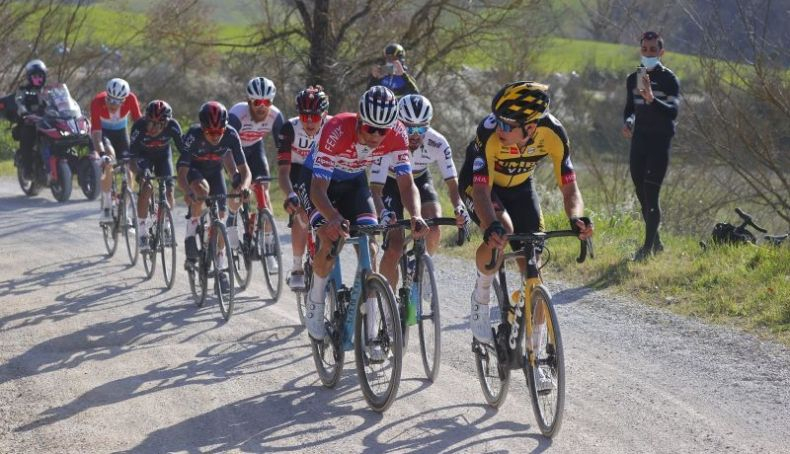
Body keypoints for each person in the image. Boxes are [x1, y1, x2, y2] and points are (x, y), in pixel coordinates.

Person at [458, 81, 593, 352]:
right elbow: (482, 190)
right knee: (502, 230)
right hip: (483, 186)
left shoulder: (553, 133)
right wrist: (491, 225)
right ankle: (481, 297)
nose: (500, 128)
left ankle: (535, 355)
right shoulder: (488, 133)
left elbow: (569, 187)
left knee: (532, 264)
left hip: (520, 188)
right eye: (498, 121)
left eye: (507, 125)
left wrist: (577, 218)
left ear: (530, 127)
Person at [297, 86, 428, 356]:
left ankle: (370, 335)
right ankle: (316, 300)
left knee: (368, 245)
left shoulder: (397, 133)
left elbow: (406, 184)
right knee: (330, 238)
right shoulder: (336, 129)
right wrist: (333, 218)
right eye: (370, 129)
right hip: (317, 182)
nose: (376, 137)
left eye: (383, 130)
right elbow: (317, 190)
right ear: (359, 120)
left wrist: (415, 215)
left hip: (355, 183)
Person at [370, 94, 470, 296]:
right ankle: (386, 302)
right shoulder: (386, 140)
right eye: (409, 128)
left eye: (421, 128)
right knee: (395, 248)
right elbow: (376, 189)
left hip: (420, 179)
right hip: (389, 183)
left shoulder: (438, 142)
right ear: (398, 123)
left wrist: (459, 206)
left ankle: (420, 265)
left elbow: (452, 183)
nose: (415, 135)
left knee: (433, 225)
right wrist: (383, 214)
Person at [177, 101, 250, 294]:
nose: (216, 136)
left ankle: (220, 269)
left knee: (221, 217)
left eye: (220, 131)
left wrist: (244, 186)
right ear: (202, 128)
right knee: (202, 191)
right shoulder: (193, 136)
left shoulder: (231, 134)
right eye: (211, 132)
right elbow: (182, 174)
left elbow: (245, 171)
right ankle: (190, 234)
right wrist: (187, 192)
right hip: (194, 171)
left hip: (215, 171)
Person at [622, 31, 680, 261]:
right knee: (640, 191)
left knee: (651, 192)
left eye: (653, 50)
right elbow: (631, 108)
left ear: (661, 52)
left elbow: (673, 112)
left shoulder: (669, 79)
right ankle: (655, 242)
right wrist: (627, 122)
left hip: (659, 141)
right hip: (639, 141)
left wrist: (652, 100)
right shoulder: (636, 76)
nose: (648, 53)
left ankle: (646, 249)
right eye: (645, 49)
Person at [276, 85, 331, 291]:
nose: (308, 121)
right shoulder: (289, 128)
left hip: (323, 169)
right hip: (298, 171)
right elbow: (283, 172)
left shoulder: (333, 127)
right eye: (304, 115)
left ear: (324, 114)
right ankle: (297, 267)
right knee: (302, 210)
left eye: (314, 116)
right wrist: (290, 193)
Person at [227, 77, 285, 270]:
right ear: (248, 100)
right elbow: (226, 148)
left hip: (255, 148)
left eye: (266, 102)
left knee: (264, 190)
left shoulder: (276, 117)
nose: (262, 107)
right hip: (235, 152)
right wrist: (235, 174)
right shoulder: (237, 114)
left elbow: (284, 150)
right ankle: (231, 220)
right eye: (256, 102)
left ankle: (268, 247)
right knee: (237, 189)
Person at [129, 100, 184, 251]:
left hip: (163, 157)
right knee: (147, 187)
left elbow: (186, 151)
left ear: (166, 123)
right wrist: (140, 174)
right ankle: (141, 231)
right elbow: (131, 159)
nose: (152, 127)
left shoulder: (173, 126)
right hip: (143, 157)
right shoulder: (139, 127)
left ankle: (165, 225)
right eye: (150, 122)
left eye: (158, 124)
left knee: (169, 191)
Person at [90, 78, 142, 222]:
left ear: (124, 100)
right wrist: (101, 154)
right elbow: (96, 133)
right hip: (103, 133)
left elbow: (139, 123)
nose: (112, 104)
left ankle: (124, 210)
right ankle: (106, 205)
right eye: (109, 100)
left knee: (129, 169)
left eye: (117, 101)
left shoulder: (131, 98)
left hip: (121, 133)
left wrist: (141, 147)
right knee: (109, 159)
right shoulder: (97, 102)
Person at [13, 59, 48, 179]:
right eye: (35, 76)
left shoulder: (49, 90)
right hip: (30, 122)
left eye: (40, 75)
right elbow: (19, 102)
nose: (38, 78)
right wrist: (24, 112)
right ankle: (27, 170)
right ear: (29, 77)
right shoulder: (23, 90)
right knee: (27, 138)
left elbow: (61, 101)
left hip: (48, 122)